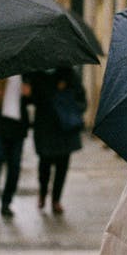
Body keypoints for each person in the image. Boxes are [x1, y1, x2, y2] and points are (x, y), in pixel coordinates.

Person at [26, 67, 86, 215]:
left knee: (62, 165)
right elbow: (32, 99)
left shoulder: (70, 74)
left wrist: (65, 94)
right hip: (45, 126)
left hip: (64, 128)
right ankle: (43, 192)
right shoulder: (37, 73)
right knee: (44, 163)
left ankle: (56, 200)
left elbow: (81, 99)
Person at [0, 75, 30, 218]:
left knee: (14, 166)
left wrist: (29, 93)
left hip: (17, 127)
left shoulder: (27, 74)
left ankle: (6, 202)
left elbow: (38, 97)